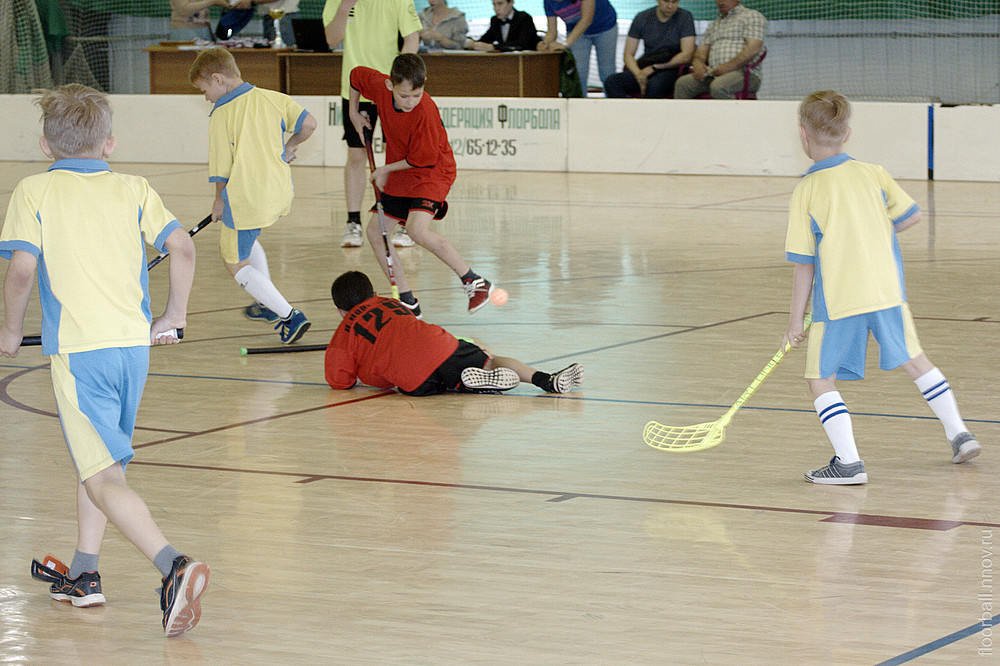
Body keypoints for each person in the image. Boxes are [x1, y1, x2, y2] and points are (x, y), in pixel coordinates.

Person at [0, 84, 209, 637]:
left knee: (101, 473)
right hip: (131, 349)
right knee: (100, 464)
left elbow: (22, 270)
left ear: (46, 146)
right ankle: (85, 573)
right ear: (110, 142)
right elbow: (183, 246)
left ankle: (172, 567)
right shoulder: (135, 187)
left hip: (79, 350)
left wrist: (9, 328)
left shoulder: (33, 190)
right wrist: (174, 317)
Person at [783, 90, 981, 486]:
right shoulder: (873, 173)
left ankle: (849, 463)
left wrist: (792, 323)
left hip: (839, 301)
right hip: (887, 291)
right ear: (847, 132)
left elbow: (804, 264)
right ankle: (960, 434)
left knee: (820, 378)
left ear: (803, 135)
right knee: (916, 360)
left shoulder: (806, 190)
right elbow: (911, 216)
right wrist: (872, 230)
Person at [188, 47, 317, 343]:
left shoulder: (221, 113)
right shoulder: (271, 97)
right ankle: (265, 302)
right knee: (247, 238)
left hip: (246, 198)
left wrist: (219, 199)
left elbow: (221, 167)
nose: (205, 96)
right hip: (279, 192)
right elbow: (309, 124)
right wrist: (291, 146)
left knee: (234, 261)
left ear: (218, 80)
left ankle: (288, 315)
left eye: (204, 89)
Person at [349, 54, 494, 316]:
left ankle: (474, 281)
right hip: (401, 172)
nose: (411, 102)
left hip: (433, 172)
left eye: (417, 94)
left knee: (416, 230)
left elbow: (422, 160)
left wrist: (385, 170)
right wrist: (353, 113)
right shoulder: (380, 88)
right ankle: (407, 299)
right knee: (374, 232)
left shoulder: (425, 110)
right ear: (390, 85)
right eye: (405, 96)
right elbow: (355, 75)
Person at [325, 271, 584, 395]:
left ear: (340, 311)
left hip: (411, 381)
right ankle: (544, 380)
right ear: (373, 294)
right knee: (489, 359)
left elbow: (339, 381)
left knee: (444, 384)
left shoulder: (341, 335)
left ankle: (465, 384)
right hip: (437, 346)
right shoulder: (390, 304)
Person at [323, 0, 422, 250]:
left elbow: (411, 37)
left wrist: (402, 80)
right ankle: (353, 222)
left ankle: (402, 223)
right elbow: (331, 39)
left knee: (399, 156)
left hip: (392, 89)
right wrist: (345, 7)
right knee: (356, 155)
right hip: (356, 89)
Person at [673, 0, 765, 100]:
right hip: (714, 74)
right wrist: (698, 64)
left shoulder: (751, 16)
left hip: (745, 74)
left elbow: (754, 48)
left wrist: (728, 67)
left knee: (719, 87)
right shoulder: (714, 25)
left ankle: (732, 115)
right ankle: (687, 116)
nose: (721, 2)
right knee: (683, 84)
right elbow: (700, 52)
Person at [603, 0, 695, 98]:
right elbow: (628, 55)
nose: (670, 6)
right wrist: (639, 75)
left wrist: (655, 67)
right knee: (612, 82)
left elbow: (687, 55)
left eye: (674, 2)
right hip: (646, 65)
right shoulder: (642, 17)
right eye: (666, 1)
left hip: (670, 67)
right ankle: (627, 111)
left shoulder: (685, 17)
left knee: (655, 85)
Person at [538, 0, 617, 96]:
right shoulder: (548, 2)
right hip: (575, 31)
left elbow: (586, 20)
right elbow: (552, 31)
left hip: (605, 26)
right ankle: (580, 105)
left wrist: (565, 44)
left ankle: (612, 104)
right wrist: (544, 43)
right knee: (578, 74)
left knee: (607, 71)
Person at [465, 0, 540, 52]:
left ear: (511, 2)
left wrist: (494, 47)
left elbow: (522, 44)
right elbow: (486, 39)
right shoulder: (495, 21)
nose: (496, 9)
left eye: (500, 3)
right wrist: (473, 44)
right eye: (494, 4)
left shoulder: (524, 18)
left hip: (528, 61)